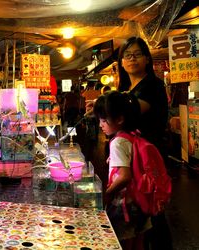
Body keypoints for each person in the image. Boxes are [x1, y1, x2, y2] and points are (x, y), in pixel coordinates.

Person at [117, 37, 172, 250]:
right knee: (140, 213)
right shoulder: (126, 87)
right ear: (121, 62)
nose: (132, 59)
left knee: (153, 211)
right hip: (133, 159)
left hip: (149, 159)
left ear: (147, 59)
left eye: (137, 54)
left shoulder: (153, 85)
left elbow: (132, 110)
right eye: (127, 55)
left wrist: (107, 106)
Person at [94, 91, 150, 250]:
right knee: (138, 242)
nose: (100, 125)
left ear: (119, 119)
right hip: (140, 201)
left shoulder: (117, 143)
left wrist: (108, 192)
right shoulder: (133, 135)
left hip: (125, 205)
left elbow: (125, 177)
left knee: (122, 243)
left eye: (104, 120)